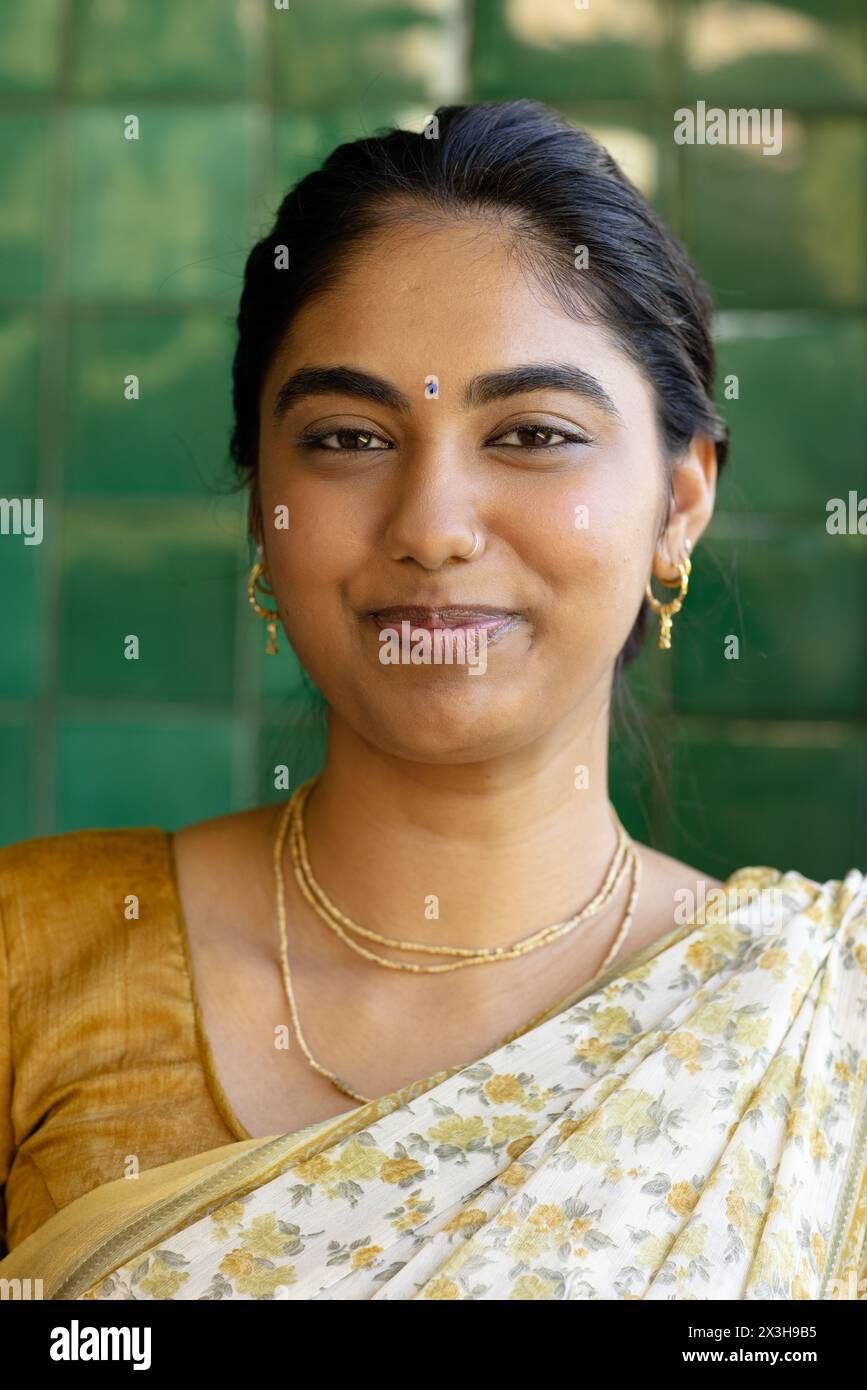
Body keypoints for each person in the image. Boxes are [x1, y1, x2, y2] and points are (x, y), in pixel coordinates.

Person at [1, 100, 864, 1302]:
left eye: (532, 433)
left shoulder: (816, 1037)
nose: (432, 528)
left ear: (678, 502)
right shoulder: (29, 956)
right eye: (349, 438)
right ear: (264, 508)